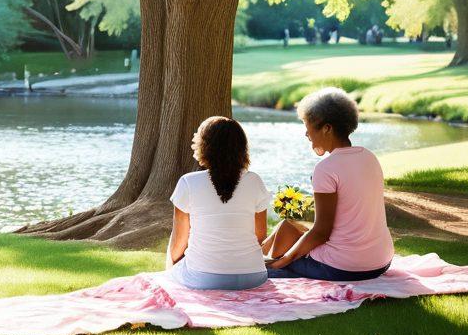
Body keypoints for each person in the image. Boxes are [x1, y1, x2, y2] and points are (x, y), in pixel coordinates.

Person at [263, 88, 394, 281]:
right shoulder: (369, 157)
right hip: (381, 260)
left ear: (327, 128)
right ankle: (258, 256)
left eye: (308, 126)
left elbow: (322, 232)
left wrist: (284, 261)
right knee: (286, 228)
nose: (306, 133)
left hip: (345, 267)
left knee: (274, 262)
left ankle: (264, 265)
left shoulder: (326, 169)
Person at [166, 117, 269, 291]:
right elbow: (260, 236)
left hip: (204, 278)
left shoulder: (188, 182)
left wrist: (171, 269)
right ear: (241, 148)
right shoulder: (255, 181)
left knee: (170, 271)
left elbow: (179, 241)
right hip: (253, 277)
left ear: (205, 146)